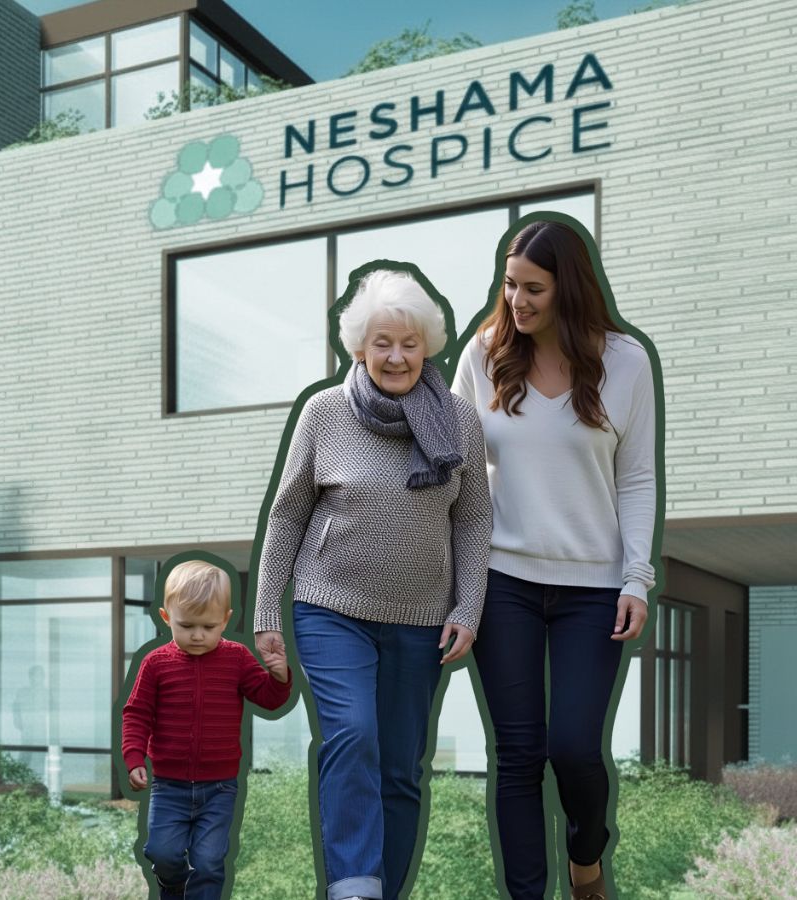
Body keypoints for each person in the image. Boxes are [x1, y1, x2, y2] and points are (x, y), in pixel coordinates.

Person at [253, 268, 492, 900]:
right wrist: (265, 616)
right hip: (330, 605)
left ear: (429, 347)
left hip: (421, 616)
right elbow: (288, 512)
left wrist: (469, 605)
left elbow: (473, 518)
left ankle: (384, 888)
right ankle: (354, 886)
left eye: (409, 343)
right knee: (353, 734)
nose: (396, 356)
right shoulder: (325, 412)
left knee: (400, 769)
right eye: (382, 342)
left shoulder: (458, 421)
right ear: (359, 347)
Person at [453, 219, 656, 900]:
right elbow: (452, 458)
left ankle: (587, 857)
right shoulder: (483, 356)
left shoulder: (625, 363)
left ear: (568, 287)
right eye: (509, 285)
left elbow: (636, 479)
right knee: (516, 755)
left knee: (573, 747)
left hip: (592, 589)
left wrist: (637, 577)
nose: (517, 300)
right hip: (502, 579)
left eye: (533, 288)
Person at [122, 559, 291, 900]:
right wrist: (134, 757)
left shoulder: (238, 658)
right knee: (162, 853)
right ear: (166, 617)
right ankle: (173, 884)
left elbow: (269, 700)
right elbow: (137, 712)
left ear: (226, 620)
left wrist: (279, 676)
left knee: (210, 860)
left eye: (209, 626)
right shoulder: (155, 663)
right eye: (187, 626)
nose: (198, 635)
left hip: (219, 788)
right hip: (169, 787)